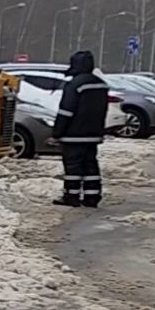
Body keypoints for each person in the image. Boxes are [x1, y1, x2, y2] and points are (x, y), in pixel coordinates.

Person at [51, 50, 110, 208]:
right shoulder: (101, 84)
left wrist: (57, 132)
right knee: (91, 166)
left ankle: (71, 196)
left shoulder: (75, 84)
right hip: (93, 134)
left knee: (73, 168)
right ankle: (92, 197)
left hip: (73, 135)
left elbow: (66, 111)